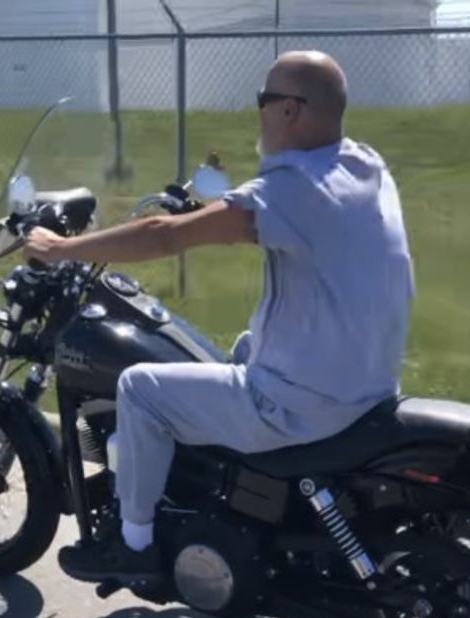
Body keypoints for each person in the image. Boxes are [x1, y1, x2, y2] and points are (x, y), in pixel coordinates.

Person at [24, 51, 414, 584]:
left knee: (140, 388)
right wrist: (207, 212)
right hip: (366, 383)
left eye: (263, 99)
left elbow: (162, 237)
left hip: (304, 403)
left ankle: (134, 545)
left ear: (290, 110)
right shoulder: (364, 164)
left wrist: (61, 248)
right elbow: (290, 224)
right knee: (245, 345)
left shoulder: (292, 189)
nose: (259, 112)